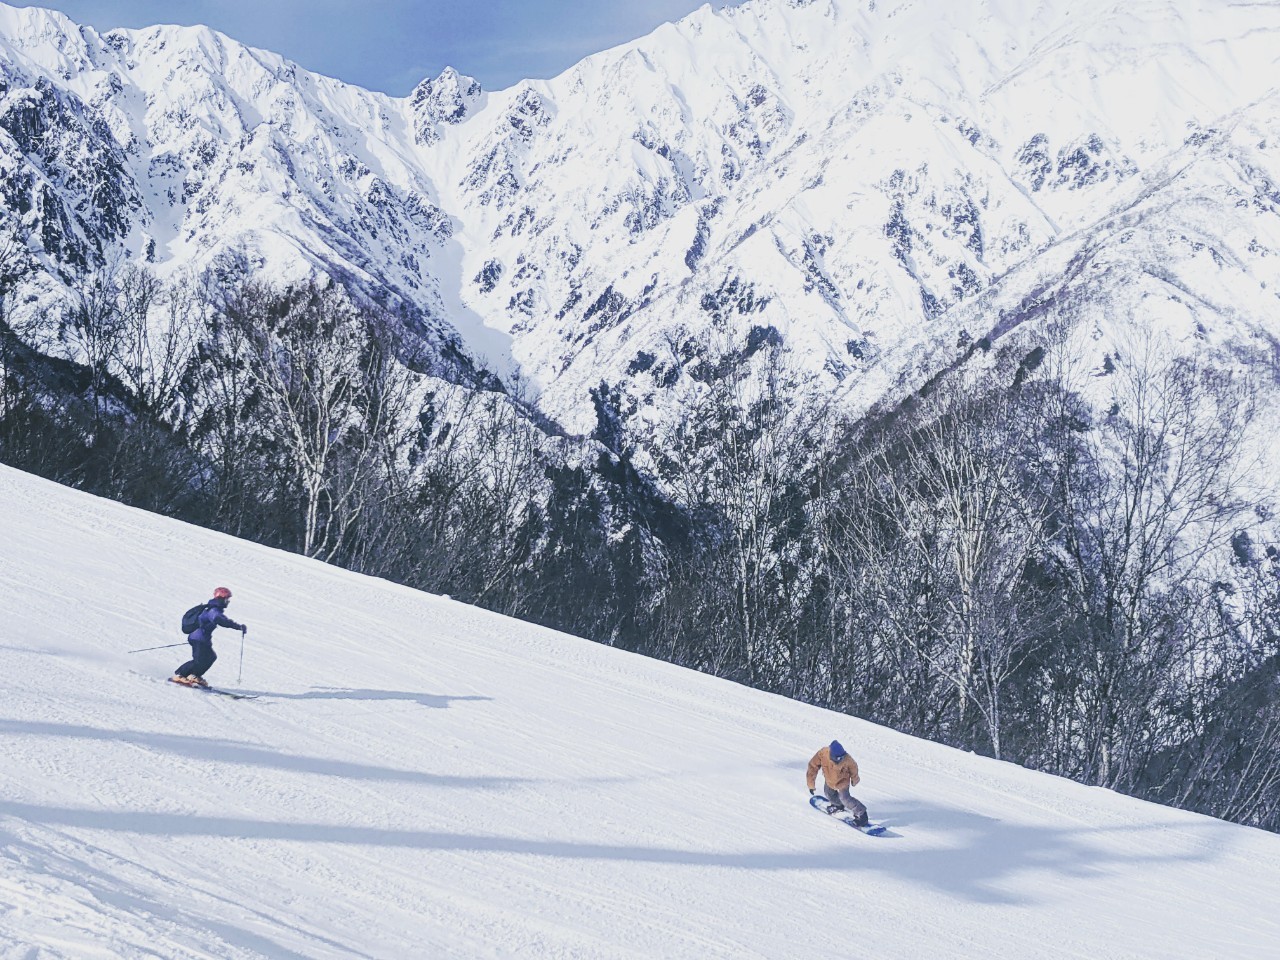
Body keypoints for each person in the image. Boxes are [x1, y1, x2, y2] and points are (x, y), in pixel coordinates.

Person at [174, 586, 246, 688]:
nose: (228, 602)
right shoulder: (213, 610)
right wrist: (238, 626)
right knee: (199, 660)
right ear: (222, 598)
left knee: (211, 657)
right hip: (198, 638)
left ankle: (194, 676)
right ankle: (180, 675)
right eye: (227, 599)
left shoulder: (212, 608)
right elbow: (220, 620)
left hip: (203, 639)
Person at [806, 739, 869, 827]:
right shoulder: (823, 754)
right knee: (828, 794)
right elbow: (813, 767)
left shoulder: (847, 758)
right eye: (838, 758)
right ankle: (838, 805)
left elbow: (854, 768)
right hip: (829, 780)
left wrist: (854, 780)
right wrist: (811, 784)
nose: (840, 759)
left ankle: (862, 815)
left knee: (845, 799)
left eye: (842, 757)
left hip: (842, 781)